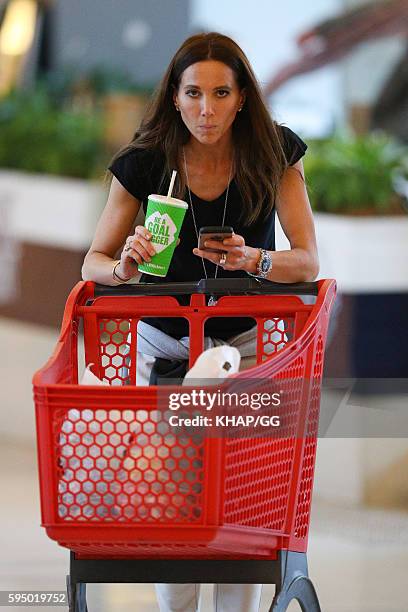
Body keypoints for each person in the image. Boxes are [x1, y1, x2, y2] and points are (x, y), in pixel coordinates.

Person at [82, 31, 319, 612]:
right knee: (173, 490)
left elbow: (307, 260)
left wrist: (254, 260)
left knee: (236, 489)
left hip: (246, 344)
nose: (206, 110)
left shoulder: (274, 153)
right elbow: (93, 264)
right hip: (162, 342)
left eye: (220, 93)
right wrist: (127, 266)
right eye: (193, 93)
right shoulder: (144, 164)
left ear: (242, 98)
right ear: (175, 96)